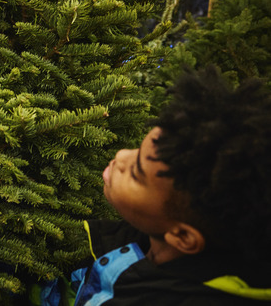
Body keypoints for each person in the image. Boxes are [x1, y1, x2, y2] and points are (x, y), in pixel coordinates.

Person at [31, 67, 271, 306]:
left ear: (183, 236)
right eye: (137, 149)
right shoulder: (147, 240)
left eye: (136, 173)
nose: (121, 155)